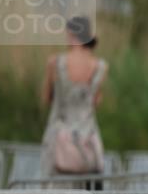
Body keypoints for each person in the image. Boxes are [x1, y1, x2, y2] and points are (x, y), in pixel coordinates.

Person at [40, 16, 108, 181]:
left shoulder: (55, 62)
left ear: (71, 34)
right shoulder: (100, 66)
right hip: (88, 142)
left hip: (58, 140)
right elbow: (96, 101)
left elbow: (46, 98)